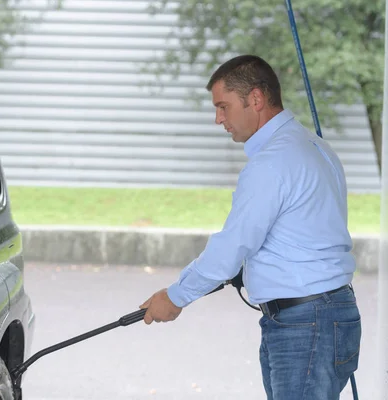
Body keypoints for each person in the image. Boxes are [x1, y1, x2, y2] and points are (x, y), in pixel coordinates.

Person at [139, 54, 361, 400]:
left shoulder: (273, 162)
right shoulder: (315, 147)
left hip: (306, 325)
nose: (218, 119)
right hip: (322, 316)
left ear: (255, 99)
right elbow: (299, 234)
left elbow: (231, 248)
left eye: (223, 107)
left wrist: (175, 296)